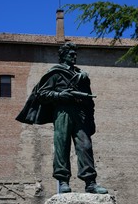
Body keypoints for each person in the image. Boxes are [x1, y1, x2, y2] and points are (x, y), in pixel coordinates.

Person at [16, 42, 108, 194]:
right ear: (63, 56)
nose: (74, 56)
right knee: (62, 146)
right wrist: (60, 95)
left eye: (75, 54)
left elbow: (89, 100)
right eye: (71, 54)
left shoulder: (81, 75)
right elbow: (42, 94)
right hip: (62, 113)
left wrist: (90, 119)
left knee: (85, 147)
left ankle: (90, 182)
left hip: (80, 114)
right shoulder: (55, 73)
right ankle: (63, 181)